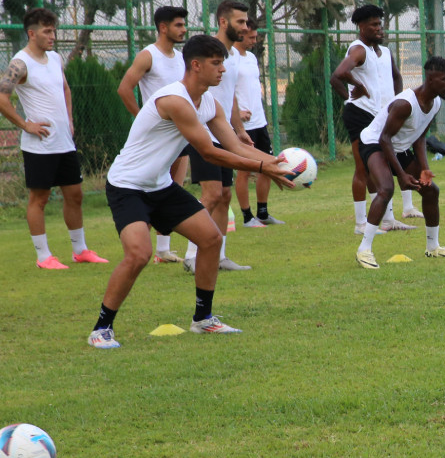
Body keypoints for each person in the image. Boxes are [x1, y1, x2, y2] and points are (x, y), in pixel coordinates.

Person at [88, 35, 294, 349]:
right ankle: (101, 328)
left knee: (211, 239)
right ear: (195, 65)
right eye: (216, 63)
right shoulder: (174, 100)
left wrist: (278, 163)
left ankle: (203, 320)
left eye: (223, 62)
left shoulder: (210, 102)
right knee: (139, 254)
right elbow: (209, 152)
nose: (223, 70)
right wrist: (264, 169)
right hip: (128, 186)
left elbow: (236, 145)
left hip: (160, 186)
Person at [0, 8, 108, 269]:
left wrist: (69, 121)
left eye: (54, 30)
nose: (53, 36)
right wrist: (25, 124)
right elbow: (2, 96)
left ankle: (80, 250)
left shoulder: (56, 58)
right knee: (40, 199)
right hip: (40, 146)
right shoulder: (20, 63)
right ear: (31, 33)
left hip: (64, 142)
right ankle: (43, 256)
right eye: (47, 31)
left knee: (75, 194)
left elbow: (65, 89)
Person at [355, 57, 445, 269]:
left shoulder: (436, 102)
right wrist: (402, 175)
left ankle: (433, 247)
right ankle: (364, 250)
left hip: (398, 147)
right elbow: (385, 138)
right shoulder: (405, 104)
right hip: (374, 144)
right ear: (431, 79)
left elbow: (420, 137)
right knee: (386, 188)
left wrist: (425, 169)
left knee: (431, 191)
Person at [330, 4, 416, 237]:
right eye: (374, 25)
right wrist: (354, 90)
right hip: (360, 114)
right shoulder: (359, 50)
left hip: (381, 115)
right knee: (363, 168)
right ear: (361, 26)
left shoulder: (385, 52)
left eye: (380, 24)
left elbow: (396, 76)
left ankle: (387, 219)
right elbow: (338, 75)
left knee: (383, 166)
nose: (379, 28)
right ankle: (360, 223)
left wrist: (397, 102)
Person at [182, 0, 254, 272]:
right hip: (203, 134)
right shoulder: (205, 51)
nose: (245, 27)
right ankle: (191, 256)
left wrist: (239, 130)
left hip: (223, 133)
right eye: (240, 22)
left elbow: (230, 96)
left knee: (224, 195)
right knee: (211, 194)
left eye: (247, 22)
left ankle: (219, 256)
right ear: (224, 22)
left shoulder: (232, 55)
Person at [116, 5, 191, 262]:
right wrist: (142, 118)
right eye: (178, 25)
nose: (184, 29)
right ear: (163, 27)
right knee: (148, 191)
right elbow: (125, 89)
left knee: (173, 188)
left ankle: (162, 250)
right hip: (154, 140)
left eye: (183, 24)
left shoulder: (181, 57)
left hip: (178, 136)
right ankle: (139, 249)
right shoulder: (148, 55)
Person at [231, 20, 284, 227]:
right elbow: (224, 90)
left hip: (259, 122)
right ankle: (247, 217)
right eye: (251, 37)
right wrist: (236, 113)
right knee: (244, 170)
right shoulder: (230, 58)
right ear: (241, 35)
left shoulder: (252, 57)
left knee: (268, 165)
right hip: (242, 126)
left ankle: (263, 213)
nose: (255, 40)